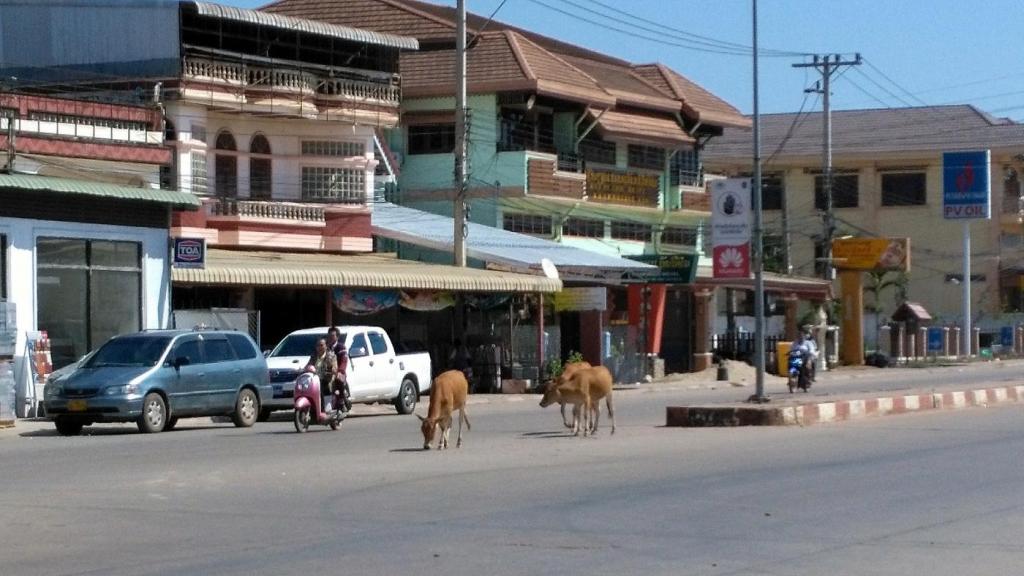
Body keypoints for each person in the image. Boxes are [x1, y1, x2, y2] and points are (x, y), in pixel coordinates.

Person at [306, 338, 338, 412]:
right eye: (317, 345)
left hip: (326, 379)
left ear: (326, 346)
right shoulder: (314, 356)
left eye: (321, 345)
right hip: (314, 380)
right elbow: (308, 366)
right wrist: (302, 370)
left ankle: (328, 408)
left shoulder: (331, 356)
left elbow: (335, 368)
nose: (319, 347)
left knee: (324, 385)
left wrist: (332, 368)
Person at [327, 326, 351, 411]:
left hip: (338, 372)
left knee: (339, 379)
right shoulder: (325, 347)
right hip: (327, 373)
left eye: (332, 335)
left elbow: (344, 361)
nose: (330, 337)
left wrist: (340, 371)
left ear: (337, 337)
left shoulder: (341, 347)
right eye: (329, 335)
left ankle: (342, 400)